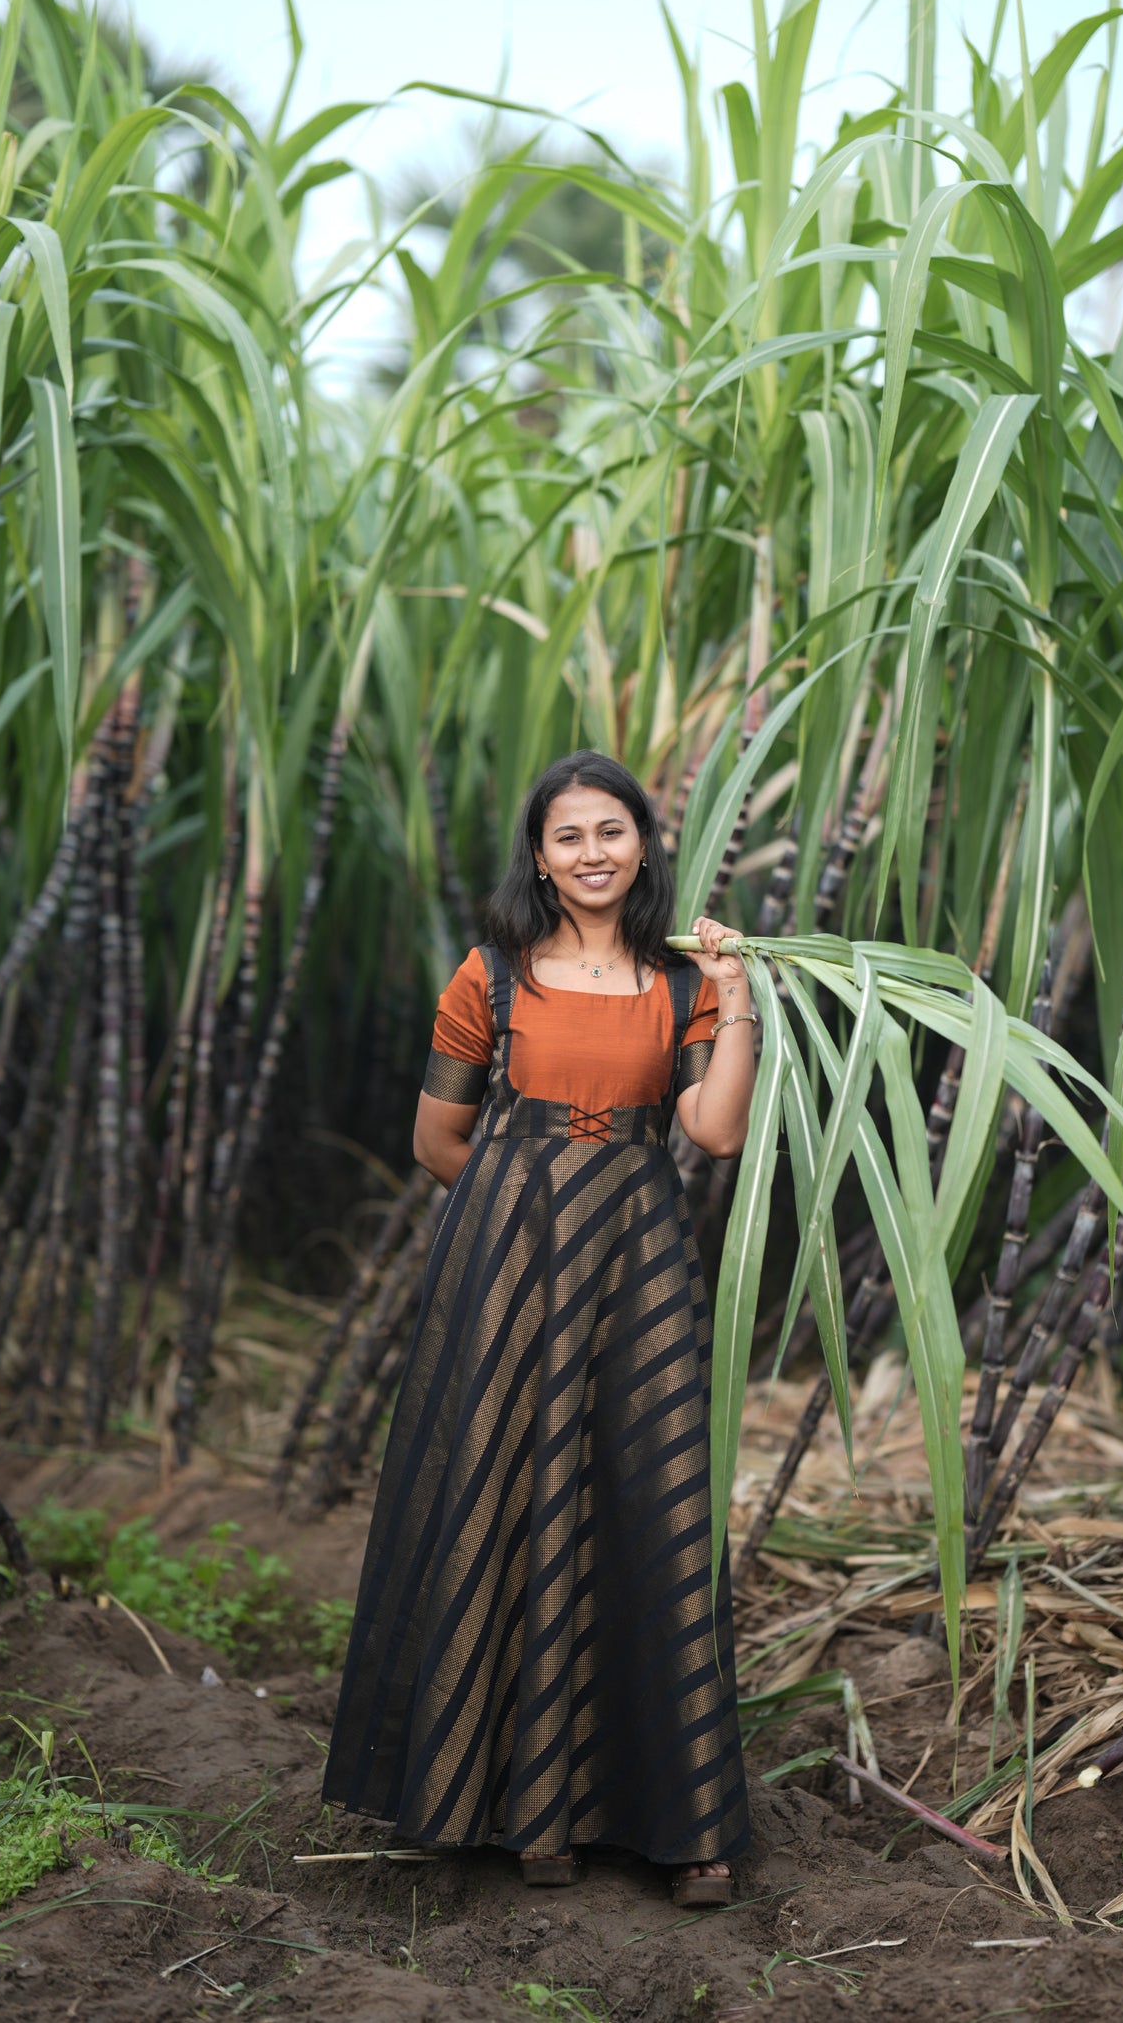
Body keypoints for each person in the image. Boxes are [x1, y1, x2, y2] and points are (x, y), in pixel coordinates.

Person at [322, 751, 757, 1908]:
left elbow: (712, 1133)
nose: (592, 853)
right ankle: (526, 1813)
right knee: (506, 1496)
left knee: (649, 1499)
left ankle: (685, 1823)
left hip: (640, 1260)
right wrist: (527, 1206)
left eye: (610, 831)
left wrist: (740, 987)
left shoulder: (685, 986)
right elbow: (437, 1142)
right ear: (539, 855)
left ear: (643, 844)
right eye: (568, 836)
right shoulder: (490, 978)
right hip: (507, 1266)